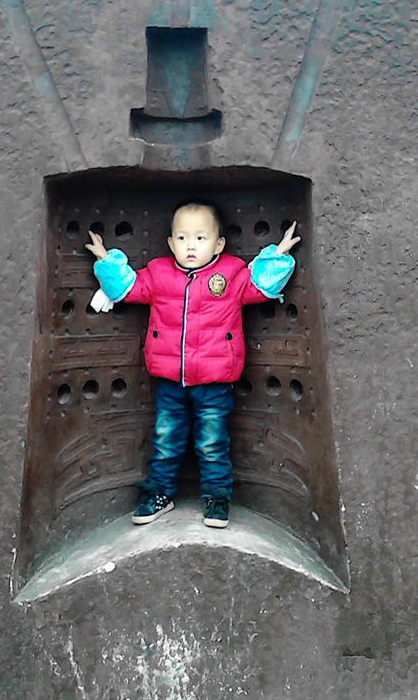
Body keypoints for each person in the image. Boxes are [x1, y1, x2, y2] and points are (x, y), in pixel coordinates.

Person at [85, 200, 300, 528]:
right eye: (182, 238)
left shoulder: (231, 274)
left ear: (219, 244)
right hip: (170, 382)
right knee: (165, 440)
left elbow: (260, 285)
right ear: (171, 243)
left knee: (212, 443)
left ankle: (217, 497)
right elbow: (129, 287)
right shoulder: (158, 273)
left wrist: (279, 254)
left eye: (201, 238)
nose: (190, 246)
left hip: (214, 384)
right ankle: (159, 494)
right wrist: (105, 259)